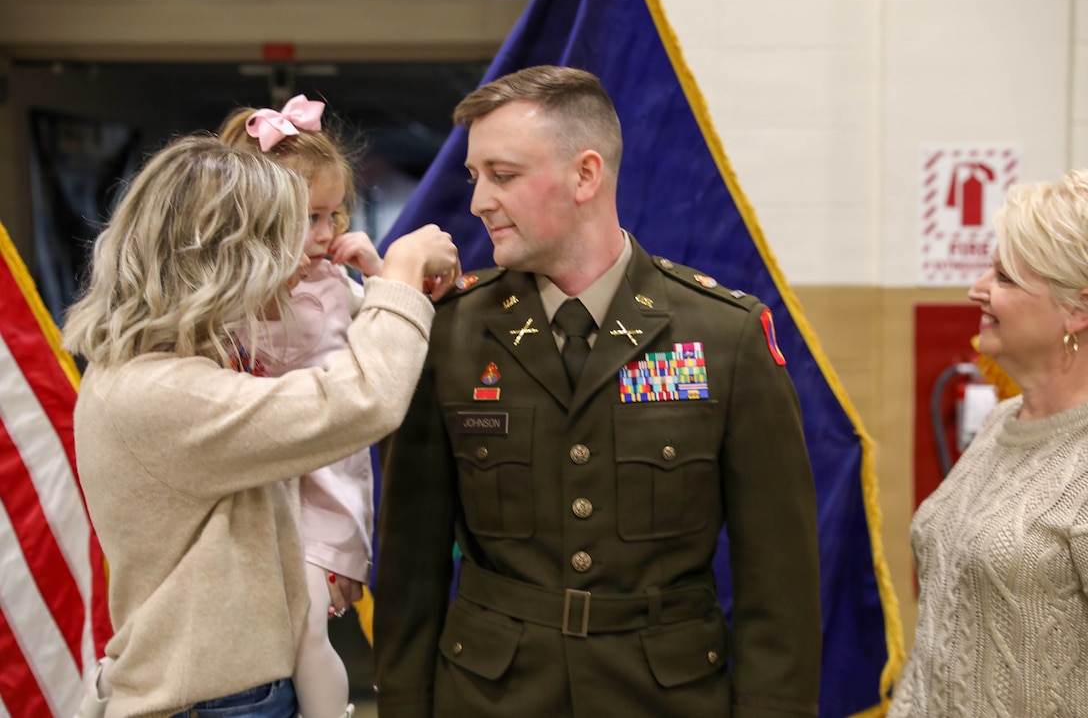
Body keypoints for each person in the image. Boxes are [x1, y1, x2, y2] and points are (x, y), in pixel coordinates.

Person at [372, 65, 821, 718]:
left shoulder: (725, 335)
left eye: (503, 175)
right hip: (492, 695)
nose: (477, 202)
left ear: (586, 175)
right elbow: (409, 564)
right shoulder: (452, 335)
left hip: (665, 696)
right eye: (475, 178)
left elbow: (778, 576)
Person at [63, 134, 459, 718]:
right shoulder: (160, 393)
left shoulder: (175, 366)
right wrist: (397, 277)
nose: (307, 255)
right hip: (220, 700)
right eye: (280, 237)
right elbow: (359, 401)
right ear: (223, 255)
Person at [889, 170, 1088, 716]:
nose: (977, 288)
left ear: (1076, 310)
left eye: (1003, 276)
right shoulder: (1001, 424)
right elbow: (943, 639)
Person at [218, 94, 384, 718]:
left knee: (311, 618)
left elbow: (396, 333)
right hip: (261, 488)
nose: (326, 234)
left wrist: (381, 272)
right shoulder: (225, 299)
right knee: (287, 620)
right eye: (309, 217)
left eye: (334, 215)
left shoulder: (334, 285)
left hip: (324, 481)